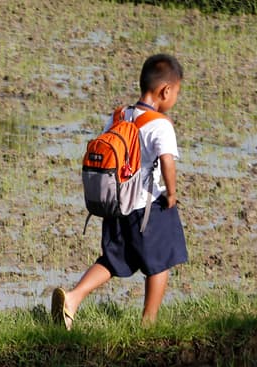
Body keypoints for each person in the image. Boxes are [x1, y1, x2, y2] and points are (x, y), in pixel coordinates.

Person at [52, 54, 187, 329]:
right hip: (148, 207)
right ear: (166, 91)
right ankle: (148, 324)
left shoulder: (119, 115)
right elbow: (167, 161)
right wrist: (171, 193)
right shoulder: (160, 124)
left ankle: (73, 298)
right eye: (177, 93)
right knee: (160, 263)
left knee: (113, 260)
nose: (175, 99)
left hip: (117, 204)